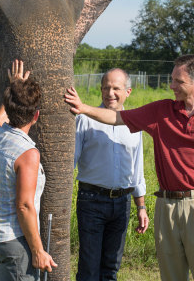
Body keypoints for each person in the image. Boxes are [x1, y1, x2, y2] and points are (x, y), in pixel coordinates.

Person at [65, 55, 194, 281]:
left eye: (178, 82)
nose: (171, 86)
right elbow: (116, 117)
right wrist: (82, 108)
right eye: (172, 79)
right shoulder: (161, 111)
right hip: (166, 206)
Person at [0, 60, 57, 281]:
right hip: (12, 244)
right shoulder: (28, 153)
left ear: (9, 108)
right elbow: (24, 205)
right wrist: (38, 251)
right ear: (36, 115)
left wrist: (13, 89)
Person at [74, 68, 149, 281]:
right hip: (91, 202)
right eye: (106, 87)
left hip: (122, 203)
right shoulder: (85, 120)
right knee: (89, 268)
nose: (110, 93)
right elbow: (71, 161)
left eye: (116, 88)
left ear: (128, 92)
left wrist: (141, 207)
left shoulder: (135, 125)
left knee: (111, 268)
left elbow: (137, 170)